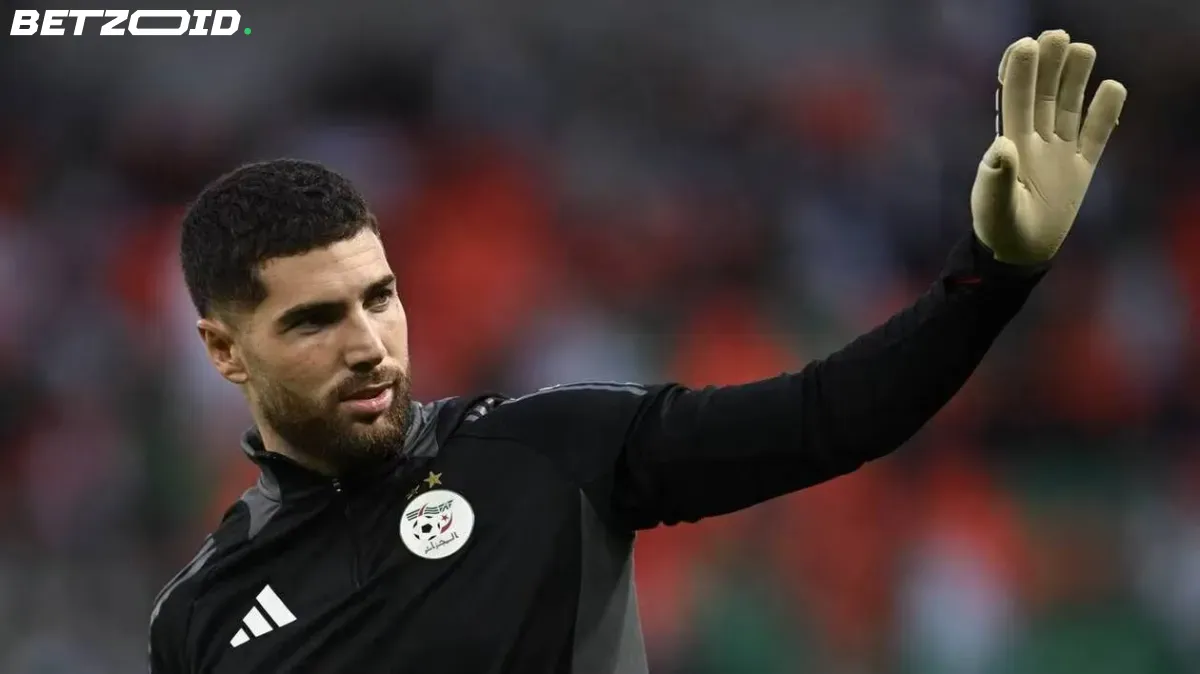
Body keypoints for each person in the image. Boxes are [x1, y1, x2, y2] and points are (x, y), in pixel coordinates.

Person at [148, 31, 1125, 673]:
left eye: (381, 298)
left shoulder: (547, 451)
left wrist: (994, 271)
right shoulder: (202, 615)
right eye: (315, 319)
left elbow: (834, 413)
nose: (368, 345)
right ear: (225, 351)